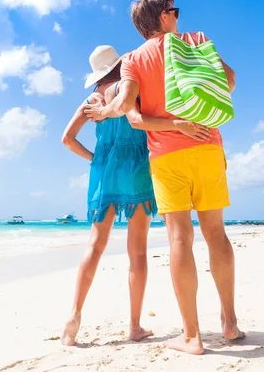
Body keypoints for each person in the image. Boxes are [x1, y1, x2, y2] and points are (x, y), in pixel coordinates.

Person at [84, 0, 244, 355]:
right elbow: (230, 82)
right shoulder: (197, 42)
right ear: (164, 17)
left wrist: (104, 112)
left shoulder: (134, 60)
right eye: (175, 10)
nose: (178, 15)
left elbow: (126, 107)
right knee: (216, 234)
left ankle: (192, 336)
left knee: (179, 239)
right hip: (207, 145)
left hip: (167, 156)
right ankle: (230, 323)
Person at [60, 45, 209, 346]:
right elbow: (143, 119)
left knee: (95, 244)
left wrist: (97, 159)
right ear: (119, 65)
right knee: (137, 251)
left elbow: (67, 139)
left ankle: (74, 318)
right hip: (138, 168)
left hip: (103, 173)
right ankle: (134, 325)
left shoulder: (91, 99)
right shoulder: (130, 88)